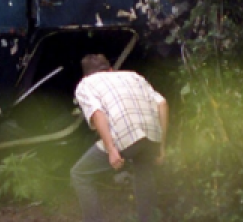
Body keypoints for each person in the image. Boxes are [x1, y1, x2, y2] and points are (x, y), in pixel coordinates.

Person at [70, 54, 169, 222]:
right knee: (143, 168)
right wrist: (161, 146)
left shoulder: (86, 84)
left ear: (86, 74)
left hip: (125, 136)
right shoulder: (133, 76)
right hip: (151, 134)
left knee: (80, 174)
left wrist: (111, 150)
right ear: (110, 69)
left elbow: (97, 113)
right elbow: (162, 104)